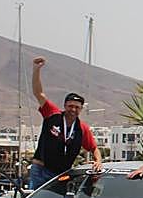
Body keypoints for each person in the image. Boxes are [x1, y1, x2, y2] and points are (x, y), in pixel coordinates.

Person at [28, 56, 101, 189]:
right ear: (65, 105)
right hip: (41, 170)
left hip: (62, 174)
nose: (73, 109)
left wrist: (98, 161)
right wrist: (36, 70)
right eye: (70, 106)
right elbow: (38, 93)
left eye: (77, 107)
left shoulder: (81, 128)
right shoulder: (53, 114)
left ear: (81, 109)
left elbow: (94, 148)